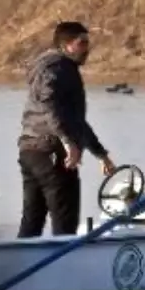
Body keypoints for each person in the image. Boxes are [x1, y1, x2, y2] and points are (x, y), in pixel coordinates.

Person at [17, 21, 115, 238]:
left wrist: (100, 153)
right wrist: (67, 141)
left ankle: (23, 264)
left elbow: (75, 120)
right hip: (52, 152)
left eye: (87, 43)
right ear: (66, 45)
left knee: (32, 222)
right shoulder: (58, 68)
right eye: (82, 43)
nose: (87, 48)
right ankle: (64, 268)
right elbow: (49, 104)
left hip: (31, 150)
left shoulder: (52, 66)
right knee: (65, 225)